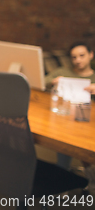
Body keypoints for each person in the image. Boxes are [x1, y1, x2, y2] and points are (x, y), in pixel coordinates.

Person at [44, 41, 95, 192]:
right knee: (64, 143)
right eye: (74, 57)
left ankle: (90, 179)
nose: (78, 60)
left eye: (81, 56)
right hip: (65, 120)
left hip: (88, 122)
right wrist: (54, 82)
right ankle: (63, 179)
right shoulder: (63, 72)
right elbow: (43, 82)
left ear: (91, 55)